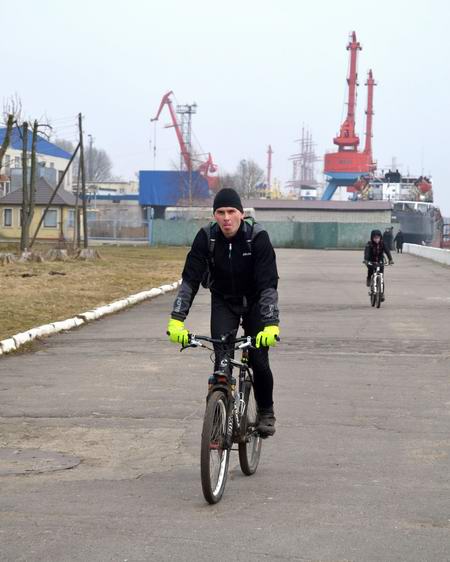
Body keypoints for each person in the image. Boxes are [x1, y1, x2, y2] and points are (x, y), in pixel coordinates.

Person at [166, 188, 280, 437]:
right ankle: (218, 420)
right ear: (214, 215)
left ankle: (266, 411)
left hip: (255, 302)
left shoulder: (257, 237)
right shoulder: (206, 238)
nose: (226, 218)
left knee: (259, 360)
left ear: (241, 213)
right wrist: (176, 320)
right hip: (224, 301)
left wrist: (271, 323)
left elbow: (268, 283)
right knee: (222, 361)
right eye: (220, 212)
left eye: (231, 211)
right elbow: (190, 280)